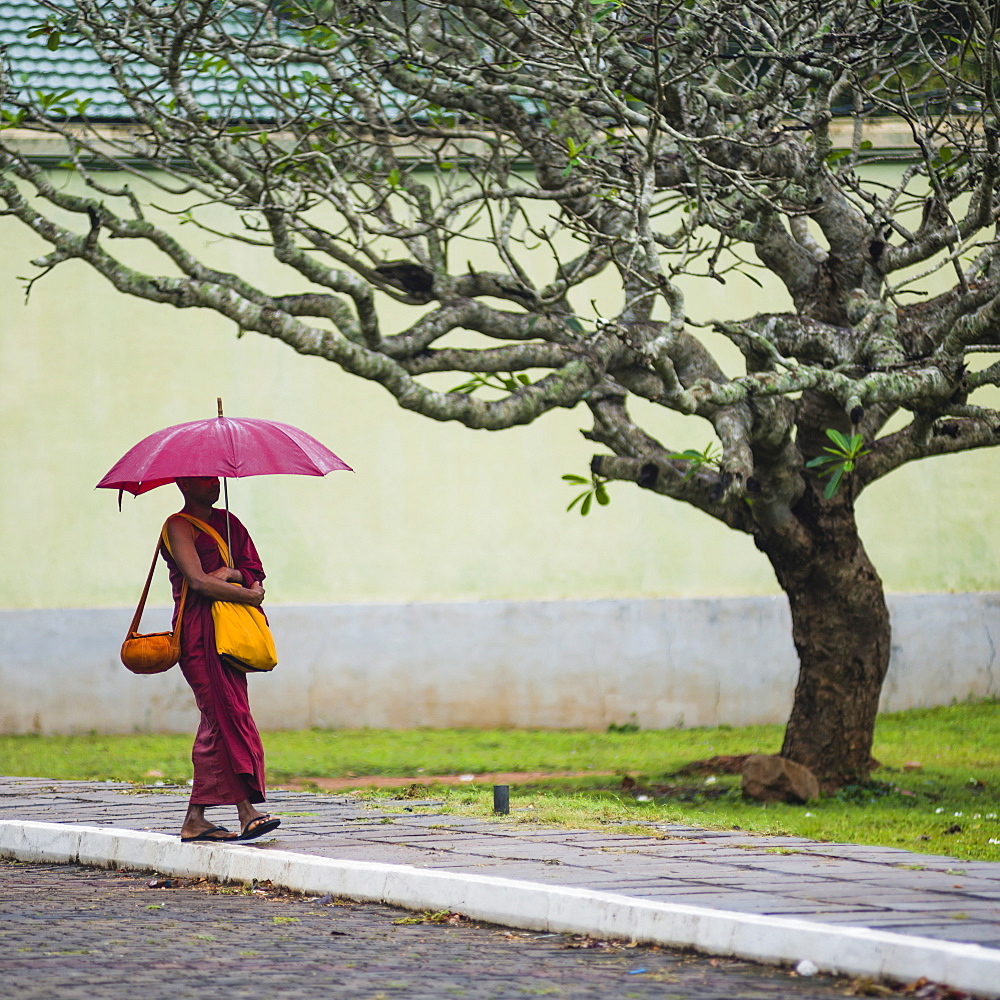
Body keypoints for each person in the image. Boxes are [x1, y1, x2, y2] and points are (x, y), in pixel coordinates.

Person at [163, 476, 281, 843]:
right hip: (199, 633)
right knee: (227, 715)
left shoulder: (230, 524)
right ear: (183, 483)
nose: (213, 483)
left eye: (215, 477)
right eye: (203, 478)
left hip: (230, 631)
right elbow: (197, 582)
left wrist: (234, 575)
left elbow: (255, 574)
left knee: (220, 718)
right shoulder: (176, 526)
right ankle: (247, 812)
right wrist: (247, 594)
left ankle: (195, 820)